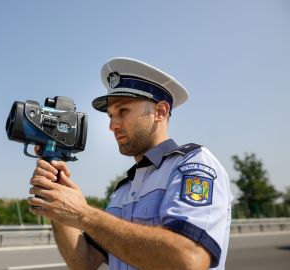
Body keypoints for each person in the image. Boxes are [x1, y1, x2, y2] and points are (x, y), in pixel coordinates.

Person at [27, 57, 233, 270]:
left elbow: (188, 260)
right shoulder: (124, 190)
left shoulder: (192, 164)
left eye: (123, 111)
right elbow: (84, 263)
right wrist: (58, 205)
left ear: (160, 112)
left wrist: (83, 214)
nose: (112, 125)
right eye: (110, 115)